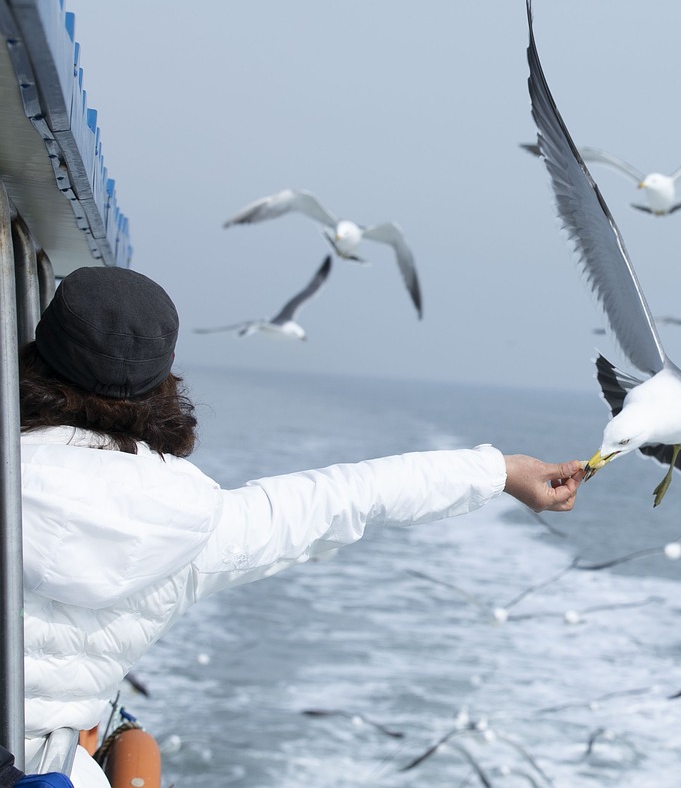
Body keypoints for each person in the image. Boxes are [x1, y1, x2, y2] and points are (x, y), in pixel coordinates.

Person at [17, 266, 584, 787]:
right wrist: (500, 472)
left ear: (34, 358)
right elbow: (353, 496)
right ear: (162, 384)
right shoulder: (201, 526)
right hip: (53, 766)